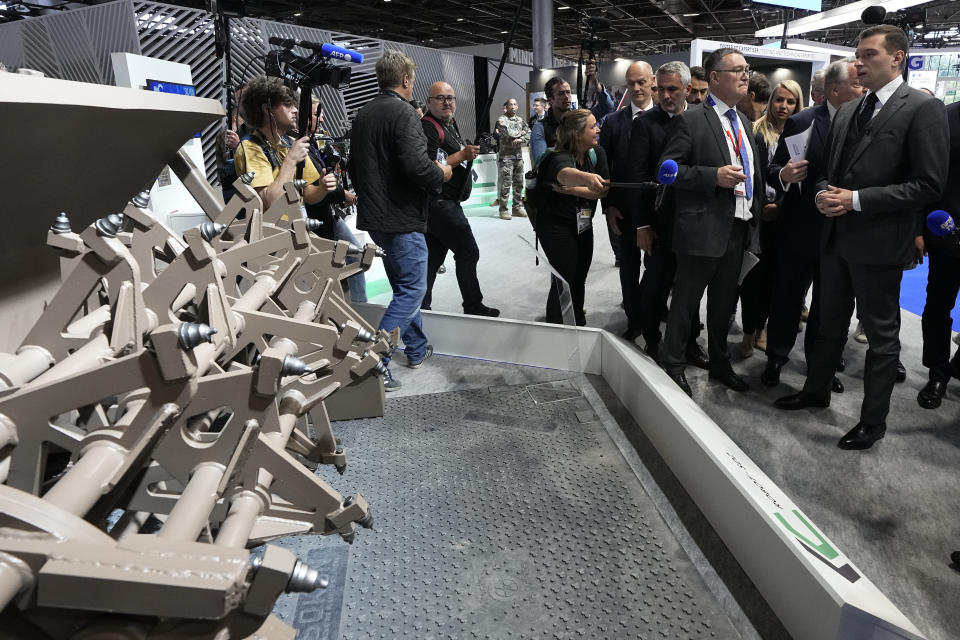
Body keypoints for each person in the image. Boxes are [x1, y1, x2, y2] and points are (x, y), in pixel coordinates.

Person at [775, 25, 948, 450]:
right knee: (827, 323)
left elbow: (928, 185)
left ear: (897, 58)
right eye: (857, 56)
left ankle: (873, 422)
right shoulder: (851, 109)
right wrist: (820, 195)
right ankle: (816, 390)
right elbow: (824, 172)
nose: (859, 63)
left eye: (868, 55)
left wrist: (855, 201)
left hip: (880, 242)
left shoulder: (923, 108)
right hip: (835, 238)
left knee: (882, 339)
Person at [658, 47, 765, 396]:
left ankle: (720, 363)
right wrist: (711, 176)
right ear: (716, 78)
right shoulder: (690, 120)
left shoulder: (745, 123)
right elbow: (669, 173)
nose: (746, 75)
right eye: (738, 70)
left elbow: (753, 174)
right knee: (686, 303)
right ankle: (671, 364)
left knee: (723, 306)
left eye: (747, 69)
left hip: (738, 228)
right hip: (701, 229)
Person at [350, 50, 452, 390]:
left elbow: (355, 167)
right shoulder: (405, 114)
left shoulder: (364, 113)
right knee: (412, 289)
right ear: (406, 80)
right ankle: (373, 359)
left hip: (377, 217)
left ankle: (417, 348)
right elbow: (416, 165)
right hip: (402, 216)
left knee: (404, 286)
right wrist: (442, 172)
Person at [763, 57, 865, 389]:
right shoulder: (802, 121)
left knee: (830, 306)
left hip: (841, 231)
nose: (864, 88)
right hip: (800, 229)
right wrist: (784, 173)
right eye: (857, 83)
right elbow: (774, 167)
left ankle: (819, 367)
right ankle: (776, 358)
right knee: (788, 299)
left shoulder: (866, 125)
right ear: (836, 89)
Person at [628, 61, 709, 369]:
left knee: (690, 290)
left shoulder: (702, 120)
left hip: (695, 223)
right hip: (660, 224)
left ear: (687, 89)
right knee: (656, 286)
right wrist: (643, 225)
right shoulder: (645, 125)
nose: (665, 95)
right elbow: (637, 179)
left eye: (672, 89)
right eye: (660, 89)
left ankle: (690, 344)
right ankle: (651, 339)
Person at [420, 81, 500, 318]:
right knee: (468, 252)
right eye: (441, 98)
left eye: (450, 98)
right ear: (429, 102)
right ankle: (472, 304)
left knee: (432, 259)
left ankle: (421, 307)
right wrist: (462, 155)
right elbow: (428, 166)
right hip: (440, 203)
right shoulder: (428, 128)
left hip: (444, 204)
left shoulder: (449, 124)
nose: (447, 102)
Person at [738, 79, 804, 359]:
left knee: (777, 282)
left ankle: (762, 328)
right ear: (770, 101)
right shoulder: (754, 131)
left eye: (790, 102)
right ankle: (748, 330)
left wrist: (781, 205)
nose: (784, 107)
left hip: (787, 222)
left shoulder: (802, 135)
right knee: (752, 279)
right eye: (779, 100)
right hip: (757, 219)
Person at [536, 109, 610, 325]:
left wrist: (572, 191)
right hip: (555, 225)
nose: (598, 129)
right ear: (578, 134)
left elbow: (603, 190)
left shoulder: (597, 153)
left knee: (580, 275)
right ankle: (557, 324)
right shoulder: (556, 156)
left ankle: (576, 318)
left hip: (582, 223)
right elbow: (564, 174)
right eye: (592, 126)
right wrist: (586, 178)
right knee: (564, 277)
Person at [233, 76, 337, 212]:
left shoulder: (290, 143)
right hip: (272, 232)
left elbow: (309, 195)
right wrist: (291, 160)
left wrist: (322, 188)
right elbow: (271, 201)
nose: (295, 110)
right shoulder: (250, 148)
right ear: (267, 109)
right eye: (288, 104)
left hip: (295, 227)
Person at [303, 98, 367, 304]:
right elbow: (313, 190)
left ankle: (357, 308)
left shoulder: (309, 144)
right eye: (316, 114)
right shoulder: (298, 147)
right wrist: (342, 195)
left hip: (327, 218)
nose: (321, 118)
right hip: (315, 223)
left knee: (355, 258)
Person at [599, 61, 655, 294]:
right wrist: (608, 206)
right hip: (623, 209)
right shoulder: (612, 122)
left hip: (657, 210)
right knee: (628, 267)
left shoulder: (669, 119)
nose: (637, 88)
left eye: (642, 82)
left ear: (652, 82)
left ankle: (653, 309)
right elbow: (604, 169)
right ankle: (633, 317)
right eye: (631, 83)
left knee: (656, 268)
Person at [918, 98, 960, 409]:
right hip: (946, 233)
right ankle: (937, 372)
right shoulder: (946, 118)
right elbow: (926, 177)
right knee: (938, 306)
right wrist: (920, 229)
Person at [495, 98, 531, 220]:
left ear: (518, 106)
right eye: (511, 104)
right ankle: (503, 210)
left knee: (519, 183)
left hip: (518, 157)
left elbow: (529, 133)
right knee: (506, 185)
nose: (513, 106)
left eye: (515, 104)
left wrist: (521, 139)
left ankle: (516, 208)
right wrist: (521, 134)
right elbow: (510, 133)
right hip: (506, 157)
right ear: (507, 106)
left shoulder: (521, 120)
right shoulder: (501, 120)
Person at [530, 77, 572, 162]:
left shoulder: (578, 121)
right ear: (550, 99)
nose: (566, 97)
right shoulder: (540, 128)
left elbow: (605, 107)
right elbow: (541, 162)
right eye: (561, 94)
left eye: (568, 92)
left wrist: (596, 84)